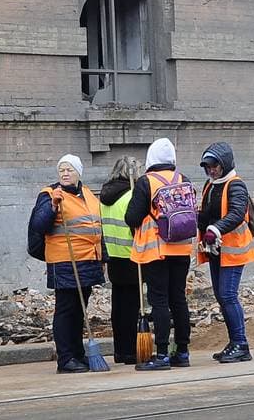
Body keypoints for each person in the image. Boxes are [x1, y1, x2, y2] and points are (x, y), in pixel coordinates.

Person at [28, 154, 107, 374]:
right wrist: (53, 206)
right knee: (66, 310)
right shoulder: (50, 194)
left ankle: (78, 354)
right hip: (65, 261)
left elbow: (98, 230)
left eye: (69, 169)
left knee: (79, 310)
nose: (64, 173)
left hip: (88, 260)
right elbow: (38, 224)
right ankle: (65, 359)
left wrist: (103, 258)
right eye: (61, 170)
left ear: (78, 173)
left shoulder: (89, 195)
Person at [125, 137, 194, 369]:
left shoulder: (146, 182)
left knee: (160, 301)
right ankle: (182, 352)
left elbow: (132, 217)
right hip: (182, 248)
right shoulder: (183, 179)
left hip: (157, 251)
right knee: (179, 299)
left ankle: (162, 353)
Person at [197, 142, 254, 364]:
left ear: (225, 164)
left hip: (233, 249)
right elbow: (205, 215)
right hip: (216, 250)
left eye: (215, 166)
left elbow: (237, 213)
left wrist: (215, 229)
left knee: (228, 295)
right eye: (207, 167)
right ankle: (234, 342)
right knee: (222, 296)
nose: (211, 170)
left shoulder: (236, 185)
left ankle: (241, 345)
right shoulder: (210, 185)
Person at [97, 155, 142, 364]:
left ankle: (120, 351)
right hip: (132, 257)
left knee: (119, 306)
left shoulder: (104, 197)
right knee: (133, 307)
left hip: (114, 257)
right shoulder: (131, 195)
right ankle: (133, 351)